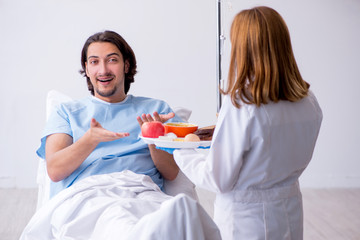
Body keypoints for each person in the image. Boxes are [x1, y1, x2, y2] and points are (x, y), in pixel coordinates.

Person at [171, 6, 323, 239]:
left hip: (246, 220)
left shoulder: (243, 103)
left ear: (242, 48)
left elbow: (217, 179)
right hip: (289, 211)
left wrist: (180, 149)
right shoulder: (307, 100)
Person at [36, 30, 183, 198]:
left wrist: (153, 138)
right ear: (87, 68)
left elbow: (171, 173)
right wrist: (90, 139)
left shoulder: (156, 110)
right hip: (89, 195)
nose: (103, 70)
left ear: (126, 65)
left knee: (183, 211)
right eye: (94, 62)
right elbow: (55, 171)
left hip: (143, 194)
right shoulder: (67, 112)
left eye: (112, 60)